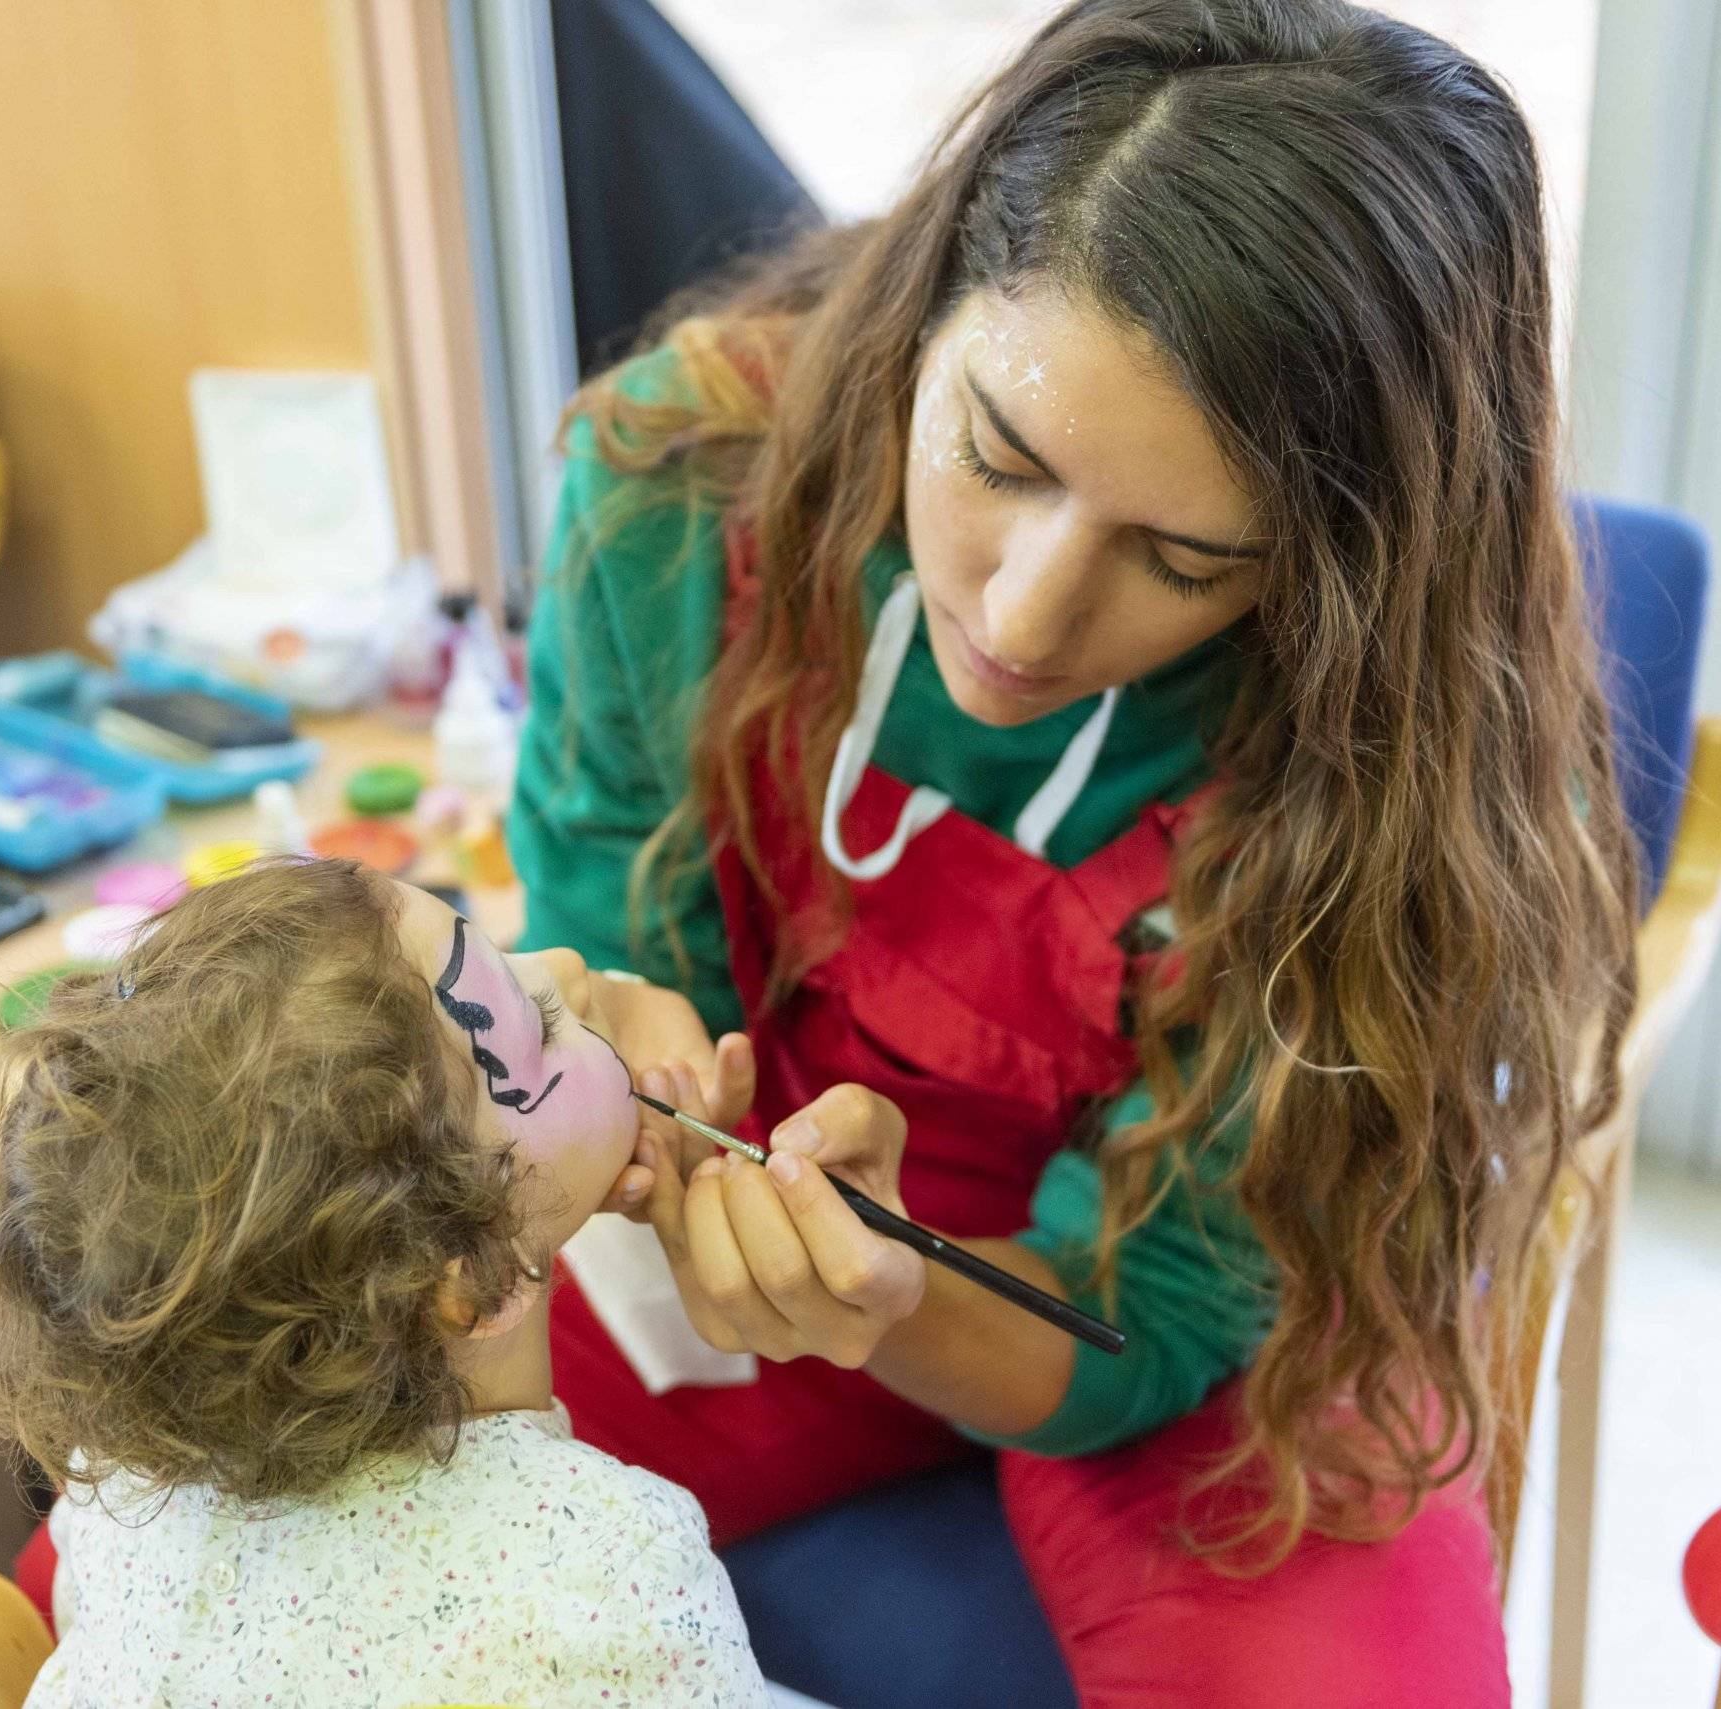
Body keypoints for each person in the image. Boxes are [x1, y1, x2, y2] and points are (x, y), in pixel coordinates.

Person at [508, 1, 1640, 1701]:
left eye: (1183, 556)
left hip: (1214, 1337)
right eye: (996, 455)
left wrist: (897, 1297)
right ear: (930, 301)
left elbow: (1169, 1313)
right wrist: (636, 1082)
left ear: (1333, 564)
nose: (1022, 617)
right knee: (230, 1536)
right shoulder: (676, 483)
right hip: (764, 1216)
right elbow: (617, 916)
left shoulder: (1401, 769)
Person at [0, 858, 767, 1709]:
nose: (566, 965)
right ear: (474, 1278)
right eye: (537, 1022)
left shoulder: (122, 1475)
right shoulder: (615, 1566)